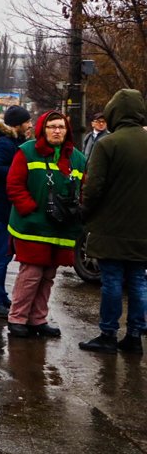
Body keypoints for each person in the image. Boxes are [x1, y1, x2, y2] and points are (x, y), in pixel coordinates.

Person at [5, 110, 86, 338]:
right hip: (32, 226)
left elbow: (84, 190)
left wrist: (78, 211)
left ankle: (37, 319)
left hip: (61, 228)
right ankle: (17, 318)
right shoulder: (27, 152)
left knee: (49, 275)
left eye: (61, 127)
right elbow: (14, 185)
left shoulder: (77, 158)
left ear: (66, 130)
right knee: (31, 273)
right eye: (52, 127)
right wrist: (29, 210)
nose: (57, 131)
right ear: (43, 129)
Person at [78, 89, 147, 355]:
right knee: (139, 281)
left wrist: (84, 213)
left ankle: (108, 334)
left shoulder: (108, 143)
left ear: (114, 112)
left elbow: (93, 188)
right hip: (142, 229)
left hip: (109, 228)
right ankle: (134, 337)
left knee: (112, 282)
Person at [0, 105, 33, 318]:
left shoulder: (13, 141)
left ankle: (0, 296)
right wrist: (20, 172)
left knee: (4, 255)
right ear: (17, 124)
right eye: (27, 122)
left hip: (6, 208)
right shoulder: (3, 143)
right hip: (0, 207)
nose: (30, 126)